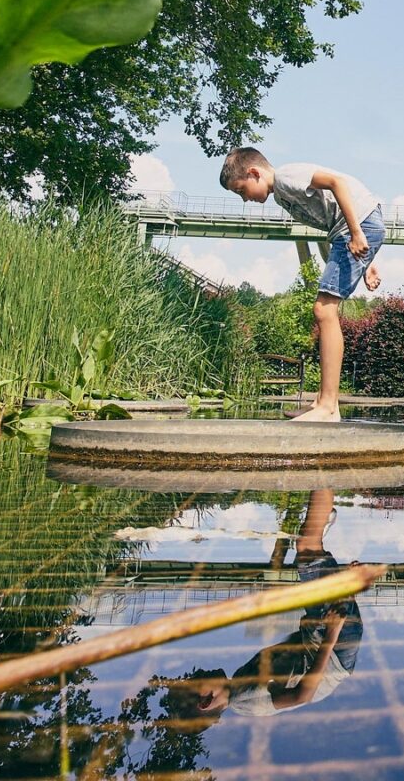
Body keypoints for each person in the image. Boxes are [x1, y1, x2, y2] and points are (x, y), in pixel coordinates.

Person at [161, 488, 364, 726]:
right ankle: (323, 474)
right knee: (308, 548)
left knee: (308, 548)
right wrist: (332, 632)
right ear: (205, 702)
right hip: (333, 647)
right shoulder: (246, 701)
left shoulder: (239, 684)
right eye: (197, 679)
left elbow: (293, 652)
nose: (201, 672)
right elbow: (303, 695)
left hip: (326, 641)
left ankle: (322, 495)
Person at [220, 147, 384, 422]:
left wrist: (357, 233)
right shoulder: (281, 195)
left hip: (358, 225)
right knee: (323, 309)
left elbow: (337, 183)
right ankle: (322, 402)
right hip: (350, 230)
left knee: (324, 310)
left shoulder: (286, 177)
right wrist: (365, 261)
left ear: (254, 173)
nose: (245, 199)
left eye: (241, 190)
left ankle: (328, 406)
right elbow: (332, 223)